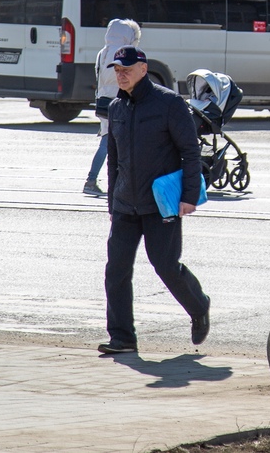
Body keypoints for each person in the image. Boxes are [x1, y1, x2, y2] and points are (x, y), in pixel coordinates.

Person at [99, 46, 210, 354]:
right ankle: (122, 338)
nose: (121, 75)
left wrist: (189, 196)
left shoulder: (168, 103)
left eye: (127, 70)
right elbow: (113, 160)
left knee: (165, 265)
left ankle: (199, 306)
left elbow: (190, 151)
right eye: (117, 71)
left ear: (143, 69)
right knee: (116, 270)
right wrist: (112, 203)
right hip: (125, 204)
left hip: (161, 204)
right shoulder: (116, 108)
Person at [85, 19, 141, 197]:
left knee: (109, 141)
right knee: (113, 143)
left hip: (103, 101)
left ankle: (98, 181)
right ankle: (93, 180)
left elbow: (98, 76)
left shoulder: (103, 52)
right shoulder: (124, 54)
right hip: (120, 102)